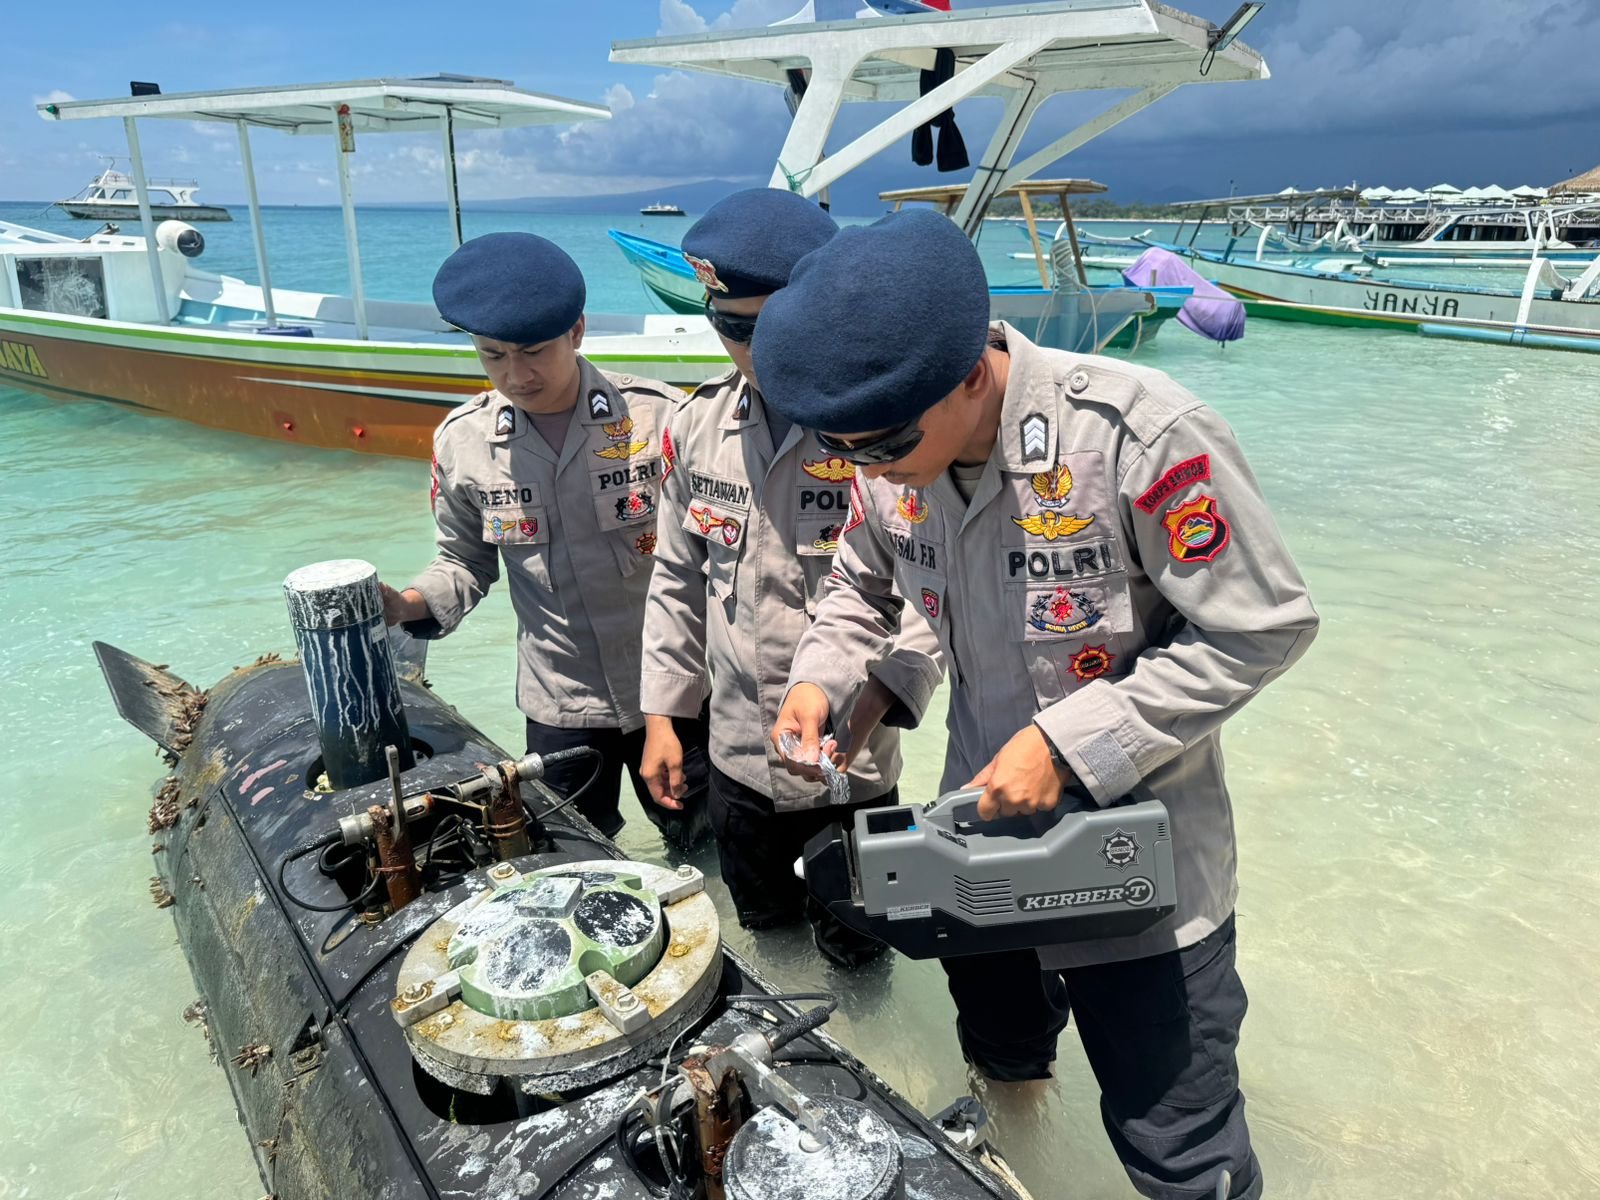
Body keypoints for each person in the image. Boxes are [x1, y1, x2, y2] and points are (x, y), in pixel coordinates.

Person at [758, 209, 1320, 1200]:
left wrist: (1065, 746)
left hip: (1140, 871)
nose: (869, 470)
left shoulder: (1140, 436)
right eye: (843, 450)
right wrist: (821, 676)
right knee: (1003, 1058)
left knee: (1178, 1145)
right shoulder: (884, 446)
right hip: (975, 846)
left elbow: (1260, 628)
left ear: (972, 373)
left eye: (883, 445)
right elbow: (859, 583)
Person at [638, 189, 941, 968]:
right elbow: (675, 579)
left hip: (854, 760)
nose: (748, 348)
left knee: (863, 954)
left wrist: (886, 695)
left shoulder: (879, 429)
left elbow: (927, 590)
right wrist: (664, 716)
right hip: (739, 756)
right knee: (765, 941)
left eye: (766, 323)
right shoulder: (695, 428)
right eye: (728, 325)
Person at [382, 232, 710, 851]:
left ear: (577, 331)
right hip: (561, 703)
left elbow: (711, 557)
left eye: (533, 352)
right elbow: (463, 561)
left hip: (674, 691)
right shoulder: (463, 442)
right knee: (574, 859)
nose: (516, 374)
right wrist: (405, 604)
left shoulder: (661, 418)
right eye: (493, 355)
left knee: (705, 846)